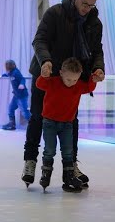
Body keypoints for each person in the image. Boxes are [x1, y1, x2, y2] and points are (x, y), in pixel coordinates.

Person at [21, 0, 105, 188]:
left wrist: (98, 68)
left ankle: (71, 166)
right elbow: (39, 40)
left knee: (70, 120)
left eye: (91, 6)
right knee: (38, 117)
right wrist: (46, 61)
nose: (87, 9)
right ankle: (30, 161)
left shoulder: (94, 23)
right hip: (48, 75)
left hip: (72, 80)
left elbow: (97, 50)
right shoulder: (55, 13)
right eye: (84, 4)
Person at [36, 57, 97, 193]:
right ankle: (46, 174)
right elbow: (40, 85)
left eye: (75, 80)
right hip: (50, 122)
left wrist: (93, 79)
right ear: (61, 73)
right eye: (69, 79)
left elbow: (88, 87)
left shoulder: (78, 85)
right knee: (50, 149)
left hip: (67, 124)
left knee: (68, 151)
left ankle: (69, 176)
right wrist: (44, 75)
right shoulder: (53, 82)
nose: (72, 83)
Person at [1, 59, 31, 130]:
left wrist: (21, 84)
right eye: (7, 65)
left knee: (24, 111)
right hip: (16, 96)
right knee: (11, 108)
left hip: (22, 96)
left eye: (9, 65)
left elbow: (22, 79)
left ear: (12, 65)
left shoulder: (16, 72)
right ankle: (12, 124)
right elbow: (9, 74)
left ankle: (33, 124)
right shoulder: (10, 72)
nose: (7, 67)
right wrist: (5, 75)